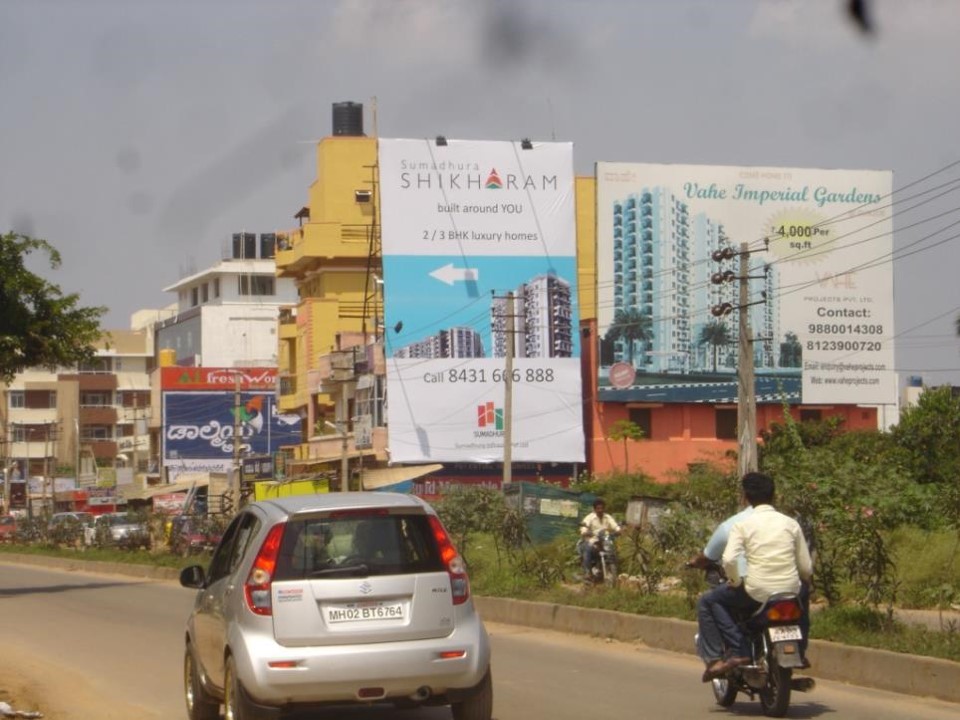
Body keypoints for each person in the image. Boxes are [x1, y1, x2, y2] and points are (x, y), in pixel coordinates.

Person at [698, 472, 813, 681]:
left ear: (745, 498)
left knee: (708, 601)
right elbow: (805, 567)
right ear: (774, 495)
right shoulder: (790, 524)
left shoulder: (742, 525)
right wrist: (802, 580)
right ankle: (800, 649)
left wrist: (735, 582)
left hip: (755, 591)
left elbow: (730, 560)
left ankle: (731, 652)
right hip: (789, 590)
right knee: (803, 595)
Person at [579, 498, 622, 578]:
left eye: (602, 508)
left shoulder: (608, 517)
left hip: (606, 540)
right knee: (588, 549)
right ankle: (587, 572)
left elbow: (615, 526)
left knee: (614, 551)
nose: (600, 510)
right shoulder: (590, 517)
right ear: (594, 509)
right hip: (594, 540)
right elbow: (584, 528)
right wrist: (586, 532)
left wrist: (618, 530)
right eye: (598, 508)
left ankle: (614, 568)